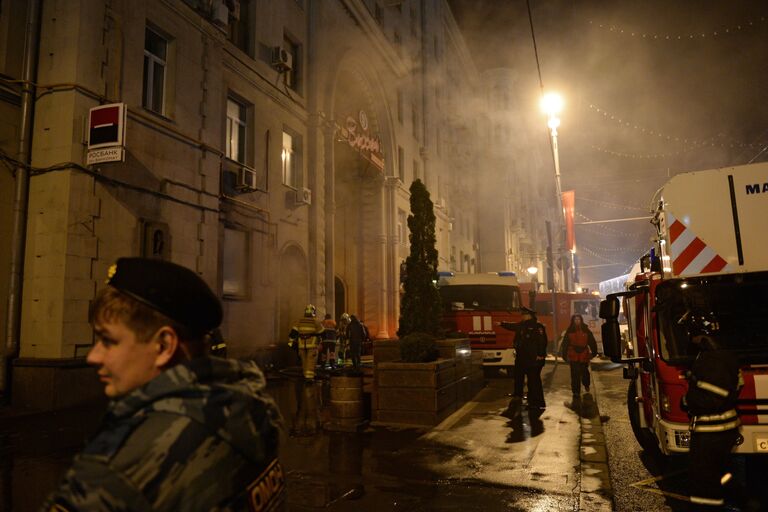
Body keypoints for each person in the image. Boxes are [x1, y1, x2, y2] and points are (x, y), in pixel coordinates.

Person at [42, 257, 284, 511]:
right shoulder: (249, 409)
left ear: (164, 346)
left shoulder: (122, 467)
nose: (93, 356)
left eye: (108, 341)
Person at [680, 312, 742, 509]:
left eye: (691, 332)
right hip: (725, 430)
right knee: (721, 474)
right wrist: (696, 379)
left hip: (712, 432)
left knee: (703, 482)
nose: (690, 338)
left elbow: (712, 397)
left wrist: (687, 400)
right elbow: (733, 386)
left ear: (699, 333)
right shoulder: (725, 355)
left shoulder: (711, 359)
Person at [500, 307, 548, 412]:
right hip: (521, 357)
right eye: (523, 314)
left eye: (525, 314)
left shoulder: (537, 326)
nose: (523, 316)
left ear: (530, 315)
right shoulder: (521, 325)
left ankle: (537, 402)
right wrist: (501, 324)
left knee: (533, 381)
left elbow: (542, 342)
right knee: (518, 379)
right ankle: (518, 399)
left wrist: (540, 354)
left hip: (533, 359)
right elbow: (512, 326)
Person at [560, 314, 599, 401]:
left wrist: (594, 352)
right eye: (575, 319)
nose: (577, 321)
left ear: (581, 320)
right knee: (575, 375)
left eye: (578, 319)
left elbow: (592, 341)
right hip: (573, 354)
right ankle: (576, 391)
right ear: (573, 321)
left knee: (585, 372)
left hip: (584, 355)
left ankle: (586, 384)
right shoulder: (569, 331)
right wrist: (564, 354)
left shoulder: (586, 330)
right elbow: (565, 343)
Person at [292, 304, 324, 380]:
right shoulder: (315, 321)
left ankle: (305, 374)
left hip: (301, 345)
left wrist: (291, 343)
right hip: (312, 345)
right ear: (313, 312)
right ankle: (309, 377)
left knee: (304, 361)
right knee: (310, 361)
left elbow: (293, 332)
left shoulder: (299, 321)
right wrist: (321, 343)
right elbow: (322, 333)